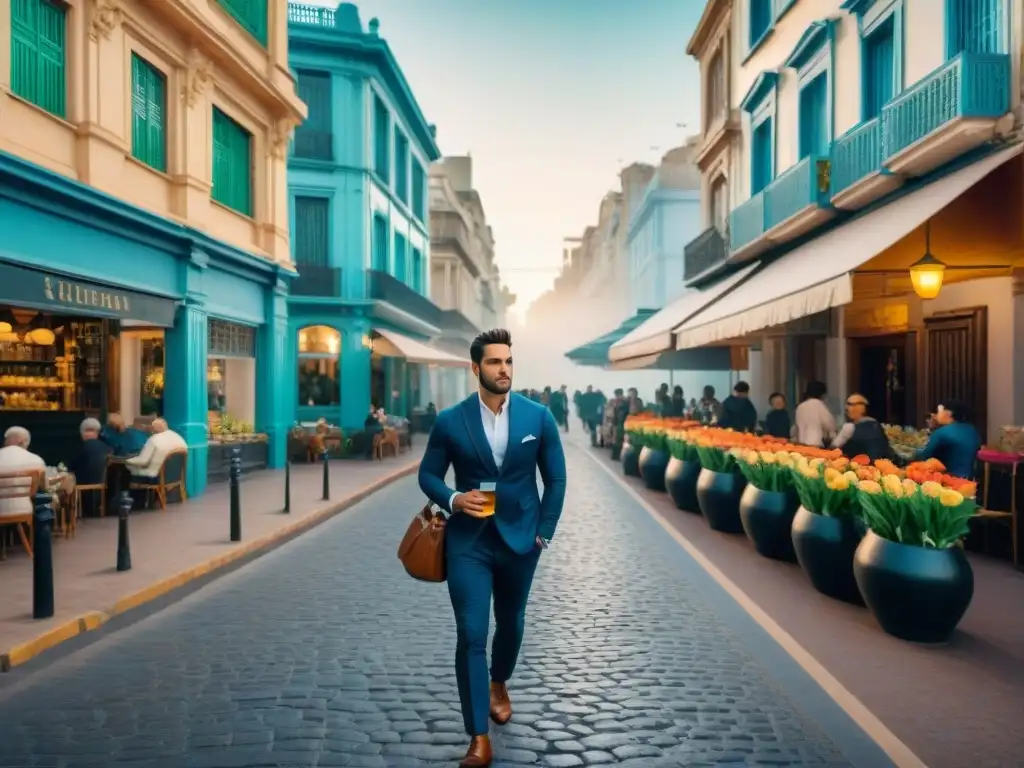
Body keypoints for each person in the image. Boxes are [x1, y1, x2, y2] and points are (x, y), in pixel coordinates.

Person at [418, 328, 566, 768]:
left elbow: (555, 479)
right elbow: (428, 474)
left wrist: (545, 532)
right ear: (476, 367)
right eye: (495, 362)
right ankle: (478, 736)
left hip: (523, 540)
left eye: (508, 362)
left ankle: (499, 682)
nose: (504, 370)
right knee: (471, 633)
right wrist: (452, 498)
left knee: (513, 623)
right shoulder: (450, 420)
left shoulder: (538, 417)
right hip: (469, 541)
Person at [916, 399, 982, 480]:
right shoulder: (972, 429)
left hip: (950, 480)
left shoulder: (942, 432)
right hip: (970, 479)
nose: (935, 415)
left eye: (939, 411)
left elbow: (923, 454)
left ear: (949, 413)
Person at [68, 418, 113, 516]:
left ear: (82, 432)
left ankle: (72, 513)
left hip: (83, 482)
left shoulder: (80, 447)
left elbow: (72, 466)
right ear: (97, 432)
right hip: (102, 481)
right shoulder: (106, 447)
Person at [0, 426, 46, 519]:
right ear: (22, 442)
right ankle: (39, 532)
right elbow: (44, 486)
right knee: (43, 498)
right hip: (24, 510)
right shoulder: (36, 460)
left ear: (7, 440)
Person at [833, 393, 891, 462]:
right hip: (880, 467)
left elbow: (833, 448)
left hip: (859, 467)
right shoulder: (877, 425)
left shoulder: (848, 428)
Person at [795, 380, 837, 447]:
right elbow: (829, 424)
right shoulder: (820, 406)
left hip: (801, 443)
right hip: (815, 444)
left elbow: (797, 428)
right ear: (822, 394)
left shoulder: (800, 407)